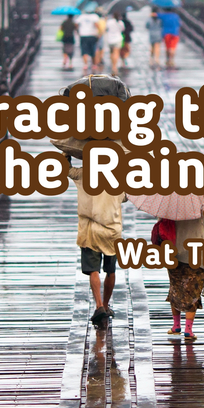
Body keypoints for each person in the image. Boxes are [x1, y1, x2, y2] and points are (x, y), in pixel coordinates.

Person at [63, 75, 130, 328]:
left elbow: (66, 168)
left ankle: (99, 305)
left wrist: (66, 154)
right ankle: (108, 304)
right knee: (111, 270)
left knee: (93, 270)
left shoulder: (83, 175)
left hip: (88, 228)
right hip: (112, 228)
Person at [154, 216, 204, 341]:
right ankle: (188, 329)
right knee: (194, 291)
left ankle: (176, 326)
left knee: (176, 287)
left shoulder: (171, 200)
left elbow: (162, 222)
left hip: (174, 251)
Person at [75, 10, 102, 74]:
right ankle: (94, 64)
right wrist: (99, 32)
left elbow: (76, 24)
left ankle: (85, 64)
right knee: (93, 50)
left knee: (84, 50)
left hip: (83, 35)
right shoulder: (94, 16)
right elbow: (96, 24)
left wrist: (78, 31)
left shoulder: (81, 16)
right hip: (92, 35)